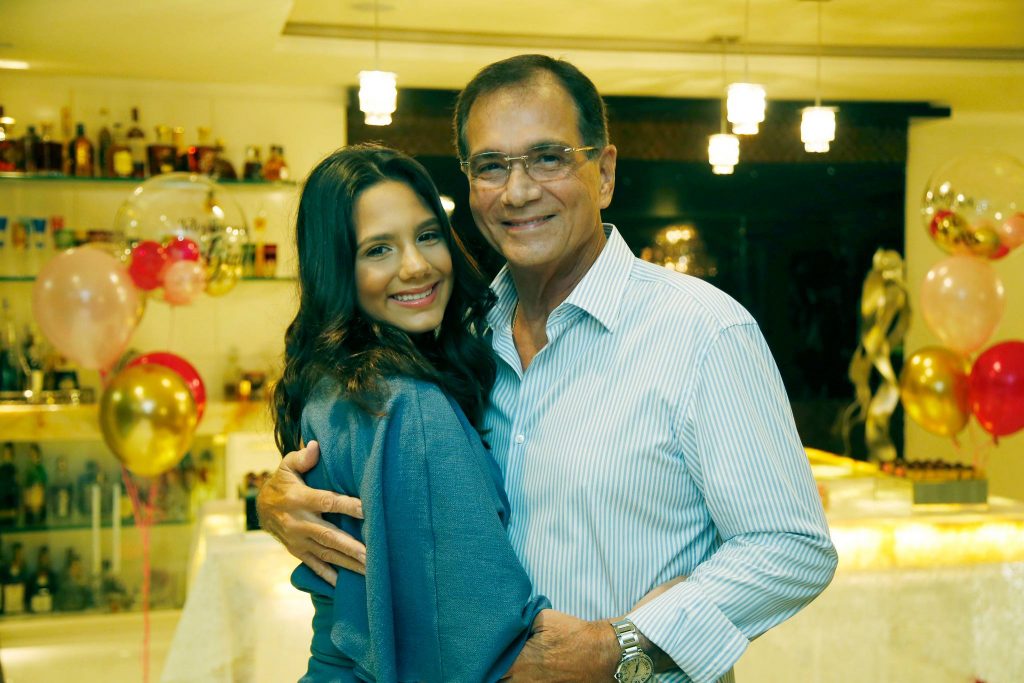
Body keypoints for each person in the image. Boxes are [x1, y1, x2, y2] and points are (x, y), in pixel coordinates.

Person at [259, 55, 838, 682]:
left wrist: (618, 646)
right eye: (491, 165)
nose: (518, 191)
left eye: (548, 158)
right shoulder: (460, 339)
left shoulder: (701, 331)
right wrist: (281, 499)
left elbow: (792, 546)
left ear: (604, 173)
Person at [271, 144, 549, 682]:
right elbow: (480, 642)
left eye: (427, 235)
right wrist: (636, 631)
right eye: (378, 249)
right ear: (338, 269)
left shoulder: (338, 381)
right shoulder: (403, 401)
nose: (417, 266)